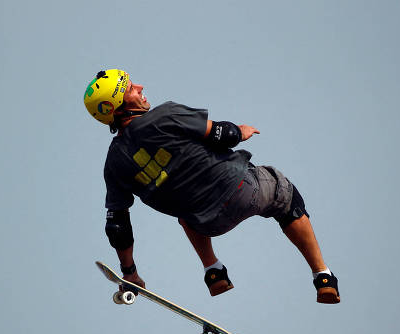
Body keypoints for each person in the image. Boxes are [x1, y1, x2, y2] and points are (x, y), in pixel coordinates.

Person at [84, 69, 340, 304]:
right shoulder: (165, 115)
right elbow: (223, 135)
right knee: (285, 195)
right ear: (116, 107)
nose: (139, 86)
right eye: (130, 88)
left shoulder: (114, 163)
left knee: (185, 209)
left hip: (206, 222)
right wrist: (241, 130)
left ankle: (214, 272)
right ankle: (323, 276)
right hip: (244, 190)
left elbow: (117, 226)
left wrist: (130, 273)